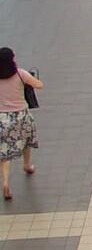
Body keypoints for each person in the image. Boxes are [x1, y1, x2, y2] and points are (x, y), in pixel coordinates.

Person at [0, 47, 40, 201]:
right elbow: (39, 85)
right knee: (26, 141)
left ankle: (5, 182)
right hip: (21, 116)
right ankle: (27, 165)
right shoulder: (20, 74)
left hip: (2, 118)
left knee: (4, 152)